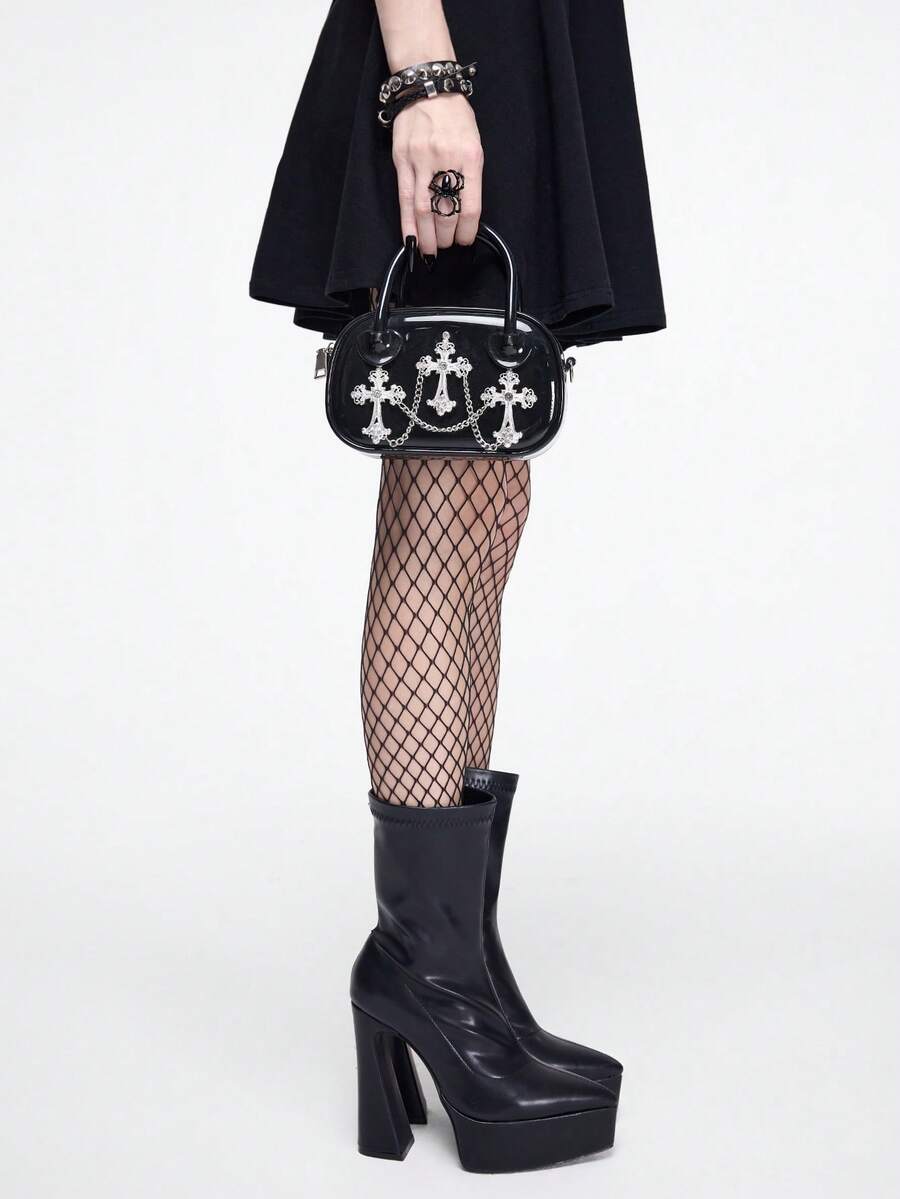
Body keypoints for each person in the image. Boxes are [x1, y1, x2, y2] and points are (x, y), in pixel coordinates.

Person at [250, 0, 664, 1172]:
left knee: (485, 501)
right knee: (443, 495)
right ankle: (425, 975)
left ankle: (457, 965)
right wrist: (425, 72)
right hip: (460, 45)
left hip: (533, 44)